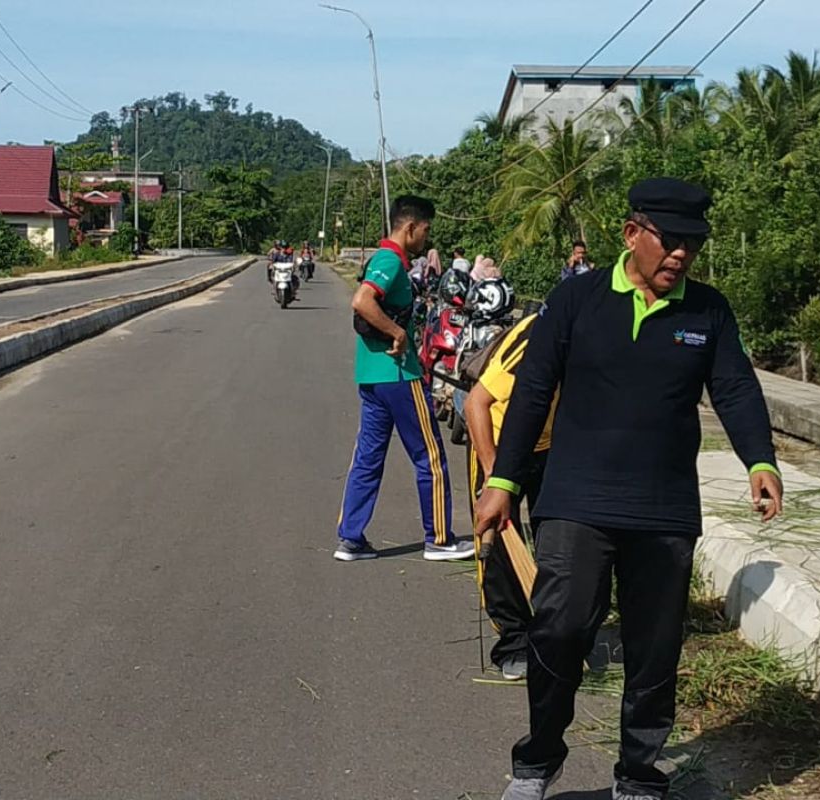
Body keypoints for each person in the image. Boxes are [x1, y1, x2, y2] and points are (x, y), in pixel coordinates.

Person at [476, 177, 784, 800]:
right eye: (670, 241)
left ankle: (638, 772)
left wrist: (761, 462)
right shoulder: (576, 301)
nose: (681, 255)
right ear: (632, 234)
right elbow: (533, 389)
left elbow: (736, 389)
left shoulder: (709, 311)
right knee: (559, 628)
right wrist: (503, 479)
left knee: (653, 645)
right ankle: (537, 760)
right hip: (575, 496)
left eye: (692, 244)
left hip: (664, 505)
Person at [335, 194, 475, 563]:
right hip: (398, 374)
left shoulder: (385, 259)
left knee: (367, 457)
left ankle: (350, 538)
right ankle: (440, 539)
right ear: (410, 227)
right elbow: (362, 300)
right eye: (426, 230)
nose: (427, 239)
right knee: (429, 456)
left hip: (372, 374)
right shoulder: (390, 260)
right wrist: (398, 333)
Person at [465, 313, 555, 681]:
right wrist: (494, 476)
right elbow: (475, 404)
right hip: (500, 443)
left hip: (553, 444)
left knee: (560, 538)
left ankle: (554, 633)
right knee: (499, 540)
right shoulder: (538, 337)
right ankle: (514, 641)